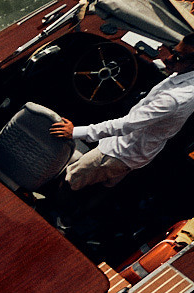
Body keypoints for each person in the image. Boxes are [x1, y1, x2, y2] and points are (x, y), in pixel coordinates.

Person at [53, 45, 194, 191]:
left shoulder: (174, 99)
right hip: (141, 150)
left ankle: (49, 204)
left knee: (71, 180)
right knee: (103, 183)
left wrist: (75, 132)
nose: (168, 58)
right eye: (172, 51)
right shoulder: (186, 75)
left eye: (177, 57)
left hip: (119, 151)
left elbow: (126, 125)